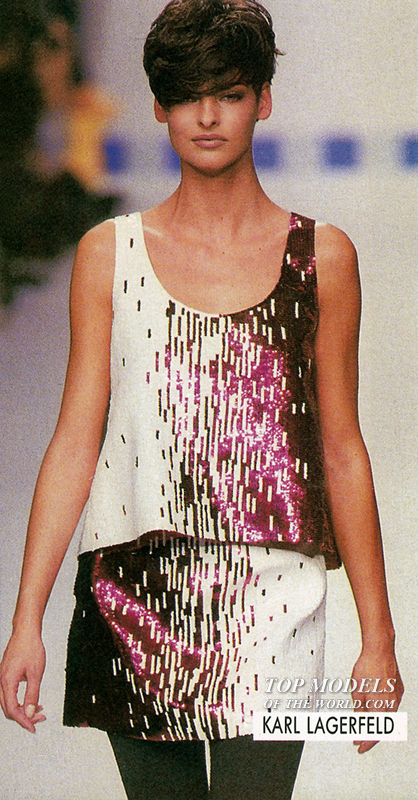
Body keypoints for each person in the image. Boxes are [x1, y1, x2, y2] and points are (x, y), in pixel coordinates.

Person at [0, 1, 403, 798]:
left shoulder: (324, 258)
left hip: (281, 598)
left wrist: (378, 640)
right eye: (188, 95)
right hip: (132, 595)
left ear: (264, 99)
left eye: (229, 92)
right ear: (159, 107)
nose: (208, 116)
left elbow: (341, 448)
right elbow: (76, 440)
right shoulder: (107, 255)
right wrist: (25, 622)